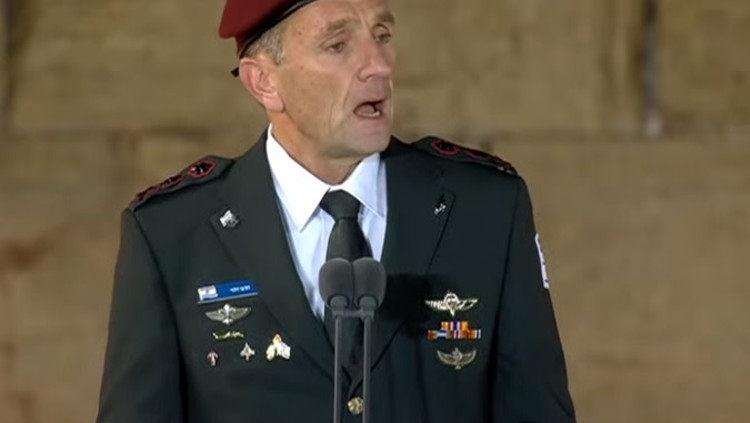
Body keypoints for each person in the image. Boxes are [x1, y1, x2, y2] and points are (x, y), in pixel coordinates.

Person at [95, 0, 576, 422]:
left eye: (382, 36)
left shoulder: (486, 210)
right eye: (338, 45)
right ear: (264, 82)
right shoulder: (171, 233)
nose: (378, 66)